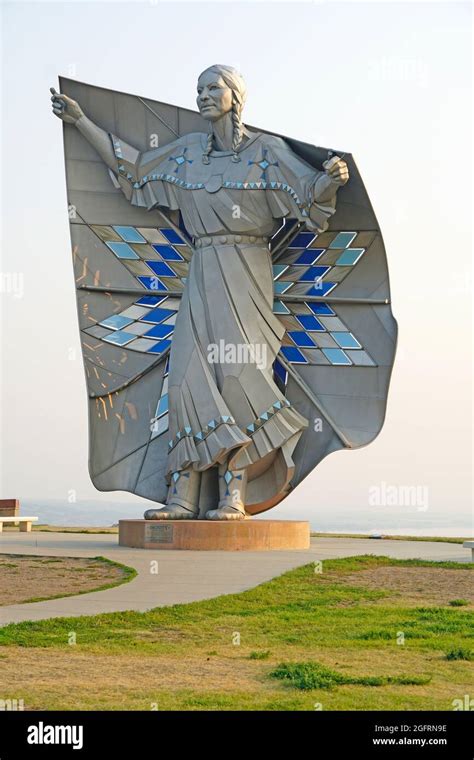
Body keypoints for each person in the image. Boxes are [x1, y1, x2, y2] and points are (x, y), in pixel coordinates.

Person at [51, 64, 349, 521]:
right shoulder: (188, 153)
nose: (204, 96)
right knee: (188, 376)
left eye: (214, 88)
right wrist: (80, 122)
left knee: (239, 375)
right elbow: (132, 168)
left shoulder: (267, 152)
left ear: (236, 96)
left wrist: (332, 176)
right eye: (199, 90)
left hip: (248, 268)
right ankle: (183, 494)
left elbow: (309, 197)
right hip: (201, 267)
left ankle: (232, 493)